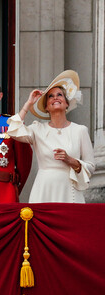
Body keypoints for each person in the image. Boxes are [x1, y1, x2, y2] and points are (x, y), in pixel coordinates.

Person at [8, 70, 95, 203]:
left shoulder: (80, 130)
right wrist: (28, 103)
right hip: (44, 190)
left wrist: (71, 160)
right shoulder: (37, 129)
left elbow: (90, 166)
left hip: (69, 190)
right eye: (50, 96)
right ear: (46, 107)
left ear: (67, 104)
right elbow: (13, 131)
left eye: (59, 95)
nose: (55, 98)